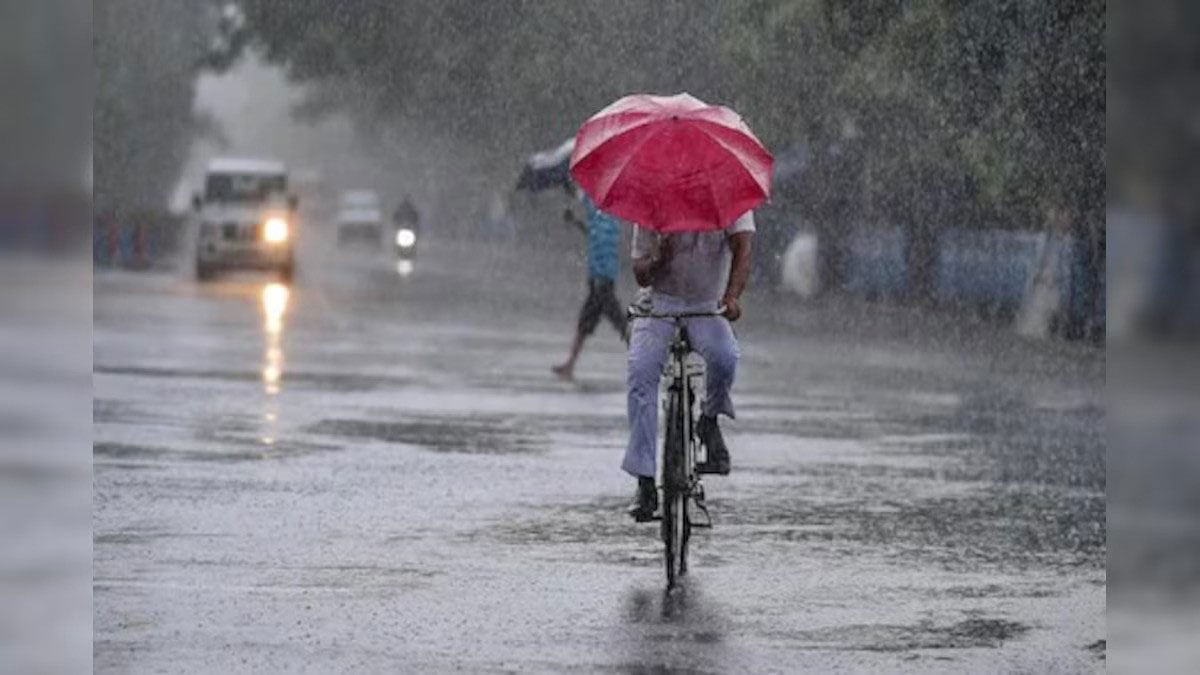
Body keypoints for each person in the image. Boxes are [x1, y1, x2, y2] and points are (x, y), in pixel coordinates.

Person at [624, 213, 755, 521]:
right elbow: (641, 274)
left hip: (706, 307)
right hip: (659, 305)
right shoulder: (653, 204)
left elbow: (743, 248)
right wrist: (657, 259)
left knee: (725, 358)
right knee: (641, 372)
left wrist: (732, 296)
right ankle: (644, 480)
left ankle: (708, 421)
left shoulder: (728, 198)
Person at [552, 192, 627, 380]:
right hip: (600, 280)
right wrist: (575, 222)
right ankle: (570, 364)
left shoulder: (603, 215)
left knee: (620, 325)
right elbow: (594, 234)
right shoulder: (608, 218)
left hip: (601, 281)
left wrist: (573, 213)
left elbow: (598, 236)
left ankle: (648, 363)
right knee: (591, 324)